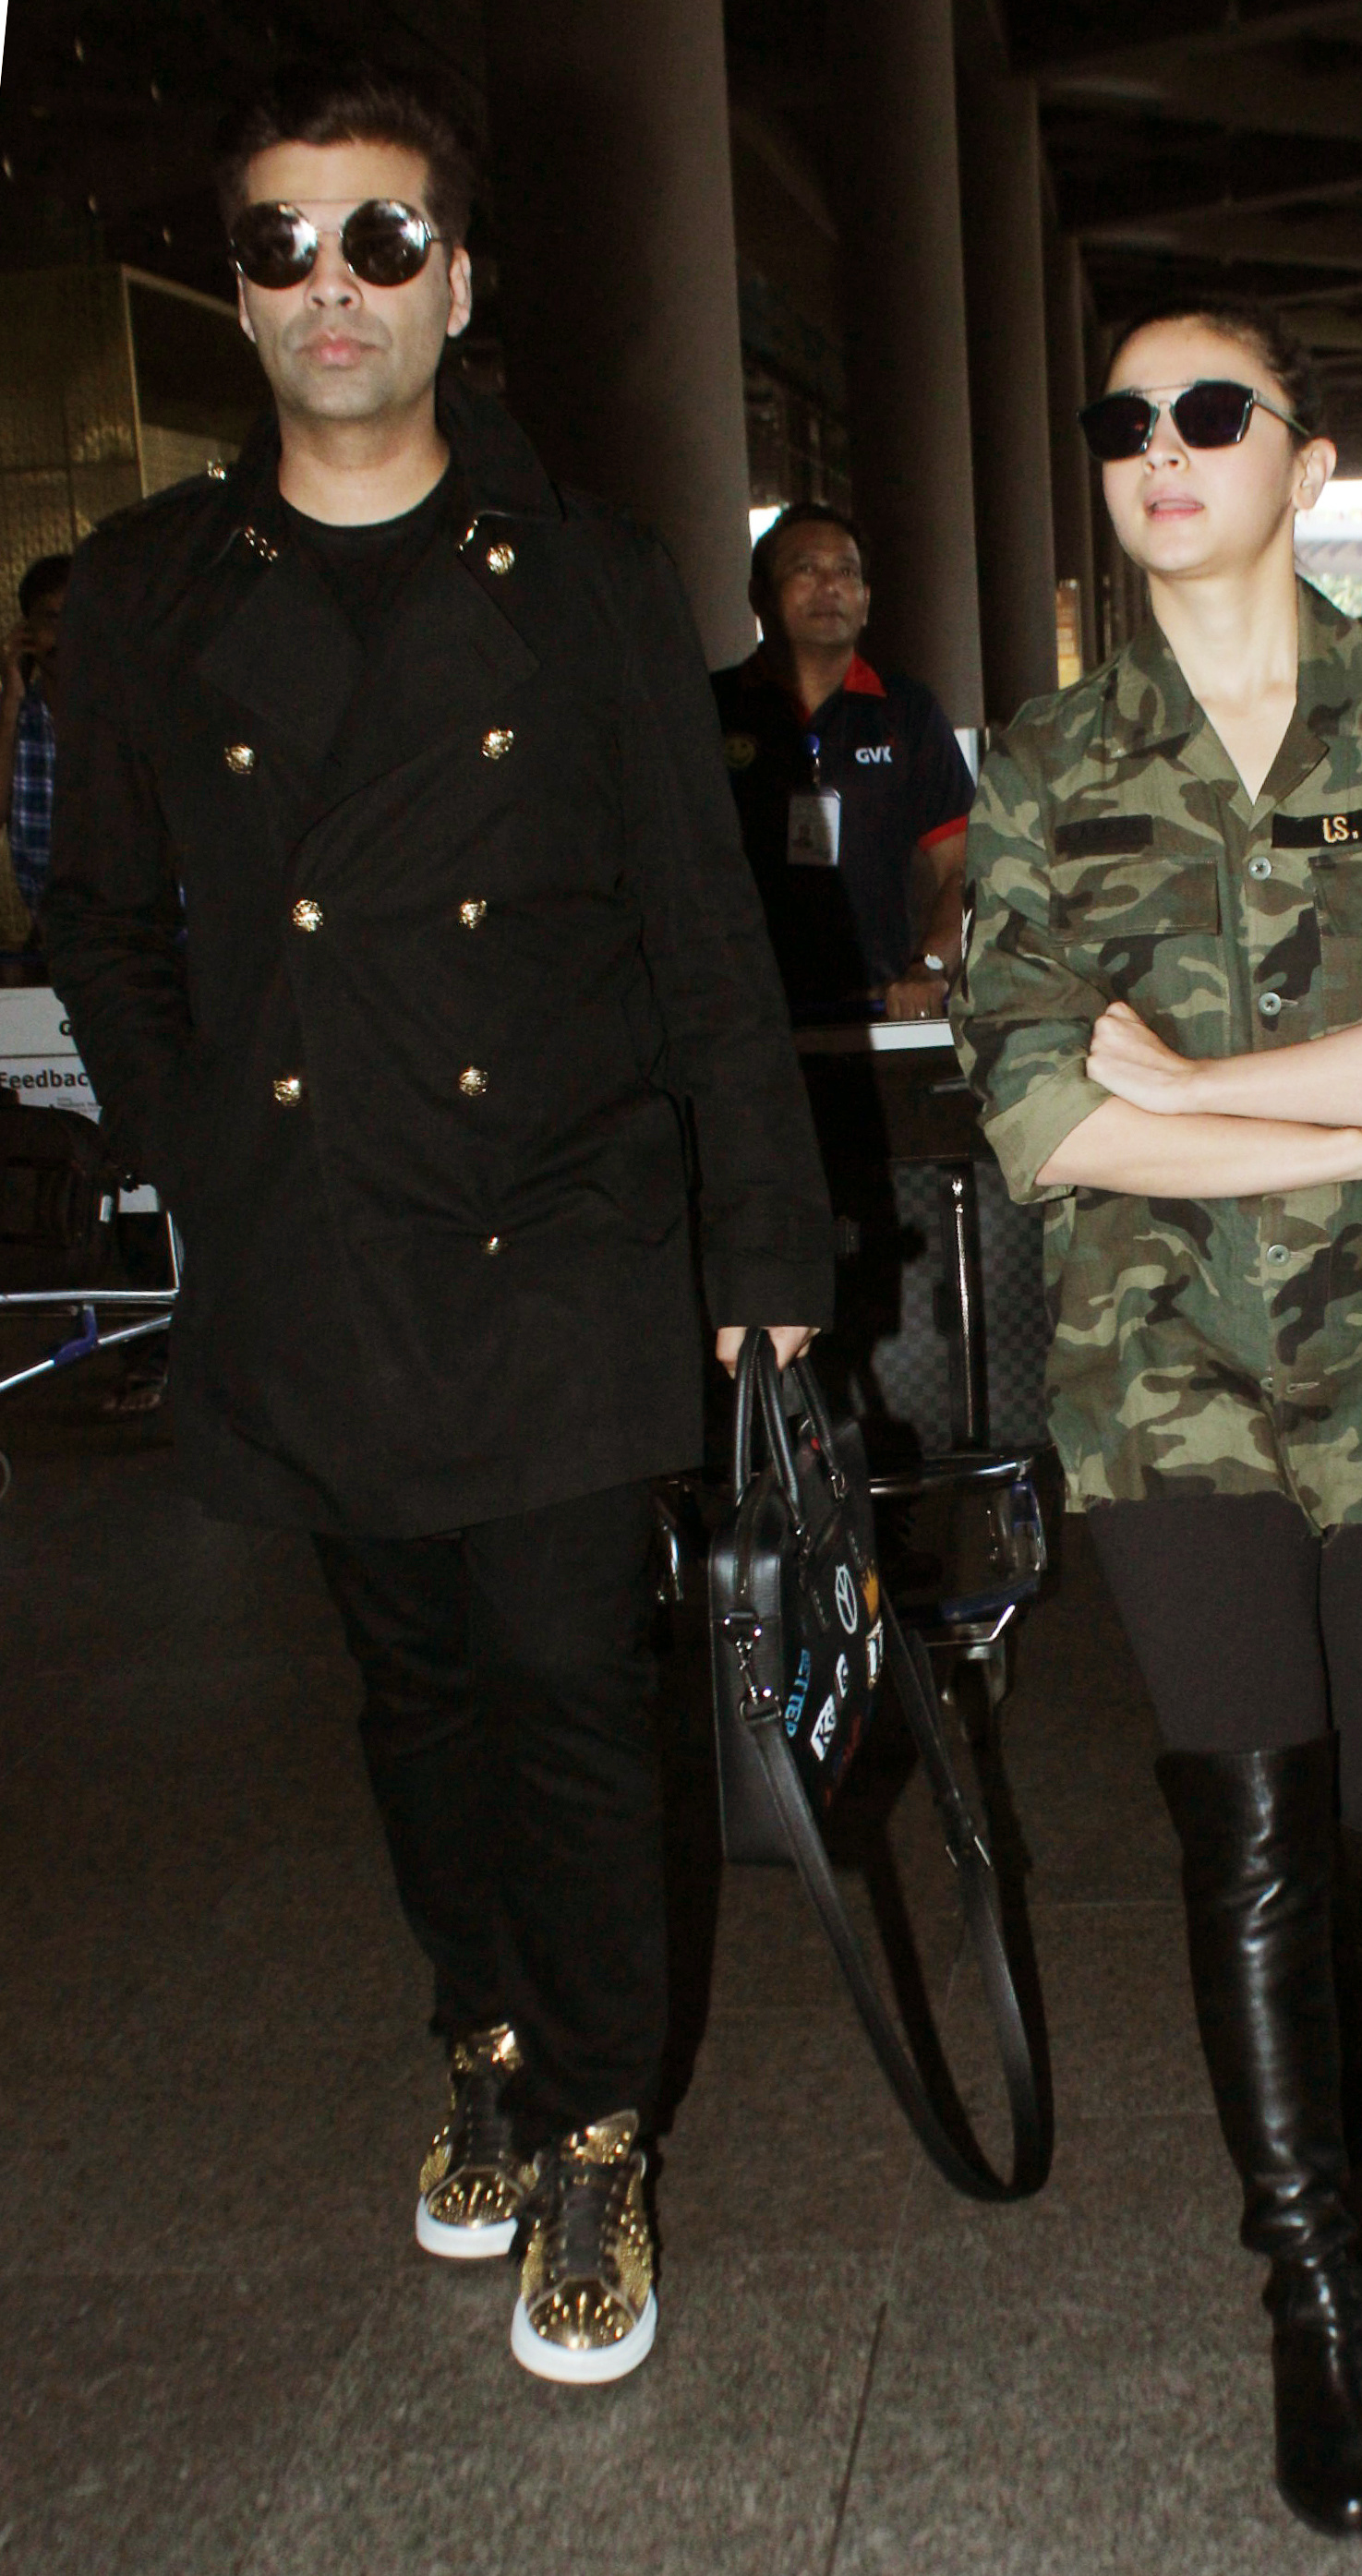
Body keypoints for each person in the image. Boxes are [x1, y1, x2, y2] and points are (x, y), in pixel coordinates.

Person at [44, 65, 832, 2387]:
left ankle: (593, 2124)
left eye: (382, 240)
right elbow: (103, 917)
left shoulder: (584, 579)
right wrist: (206, 1143)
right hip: (317, 1236)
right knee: (413, 1694)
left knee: (571, 1687)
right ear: (238, 291)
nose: (334, 286)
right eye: (283, 244)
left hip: (559, 1229)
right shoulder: (149, 590)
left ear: (458, 284)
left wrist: (764, 1255)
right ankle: (478, 2034)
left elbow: (702, 934)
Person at [952, 297, 1362, 2537]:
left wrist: (1204, 1089)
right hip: (1158, 1371)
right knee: (1246, 1825)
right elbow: (1039, 1113)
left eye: (1210, 410)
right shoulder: (1039, 760)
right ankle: (1318, 2286)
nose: (1161, 445)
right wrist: (1340, 1115)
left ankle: (1324, 2039)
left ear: (1305, 465)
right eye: (1124, 416)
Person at [712, 504, 973, 1021]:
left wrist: (929, 966)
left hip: (879, 1014)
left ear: (866, 601)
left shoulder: (907, 712)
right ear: (758, 596)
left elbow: (962, 868)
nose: (830, 586)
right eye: (806, 568)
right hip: (742, 1019)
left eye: (847, 572)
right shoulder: (711, 710)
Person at [0, 553, 69, 973]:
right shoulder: (19, 717)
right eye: (51, 618)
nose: (64, 633)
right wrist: (11, 699)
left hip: (143, 941)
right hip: (51, 942)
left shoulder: (130, 711)